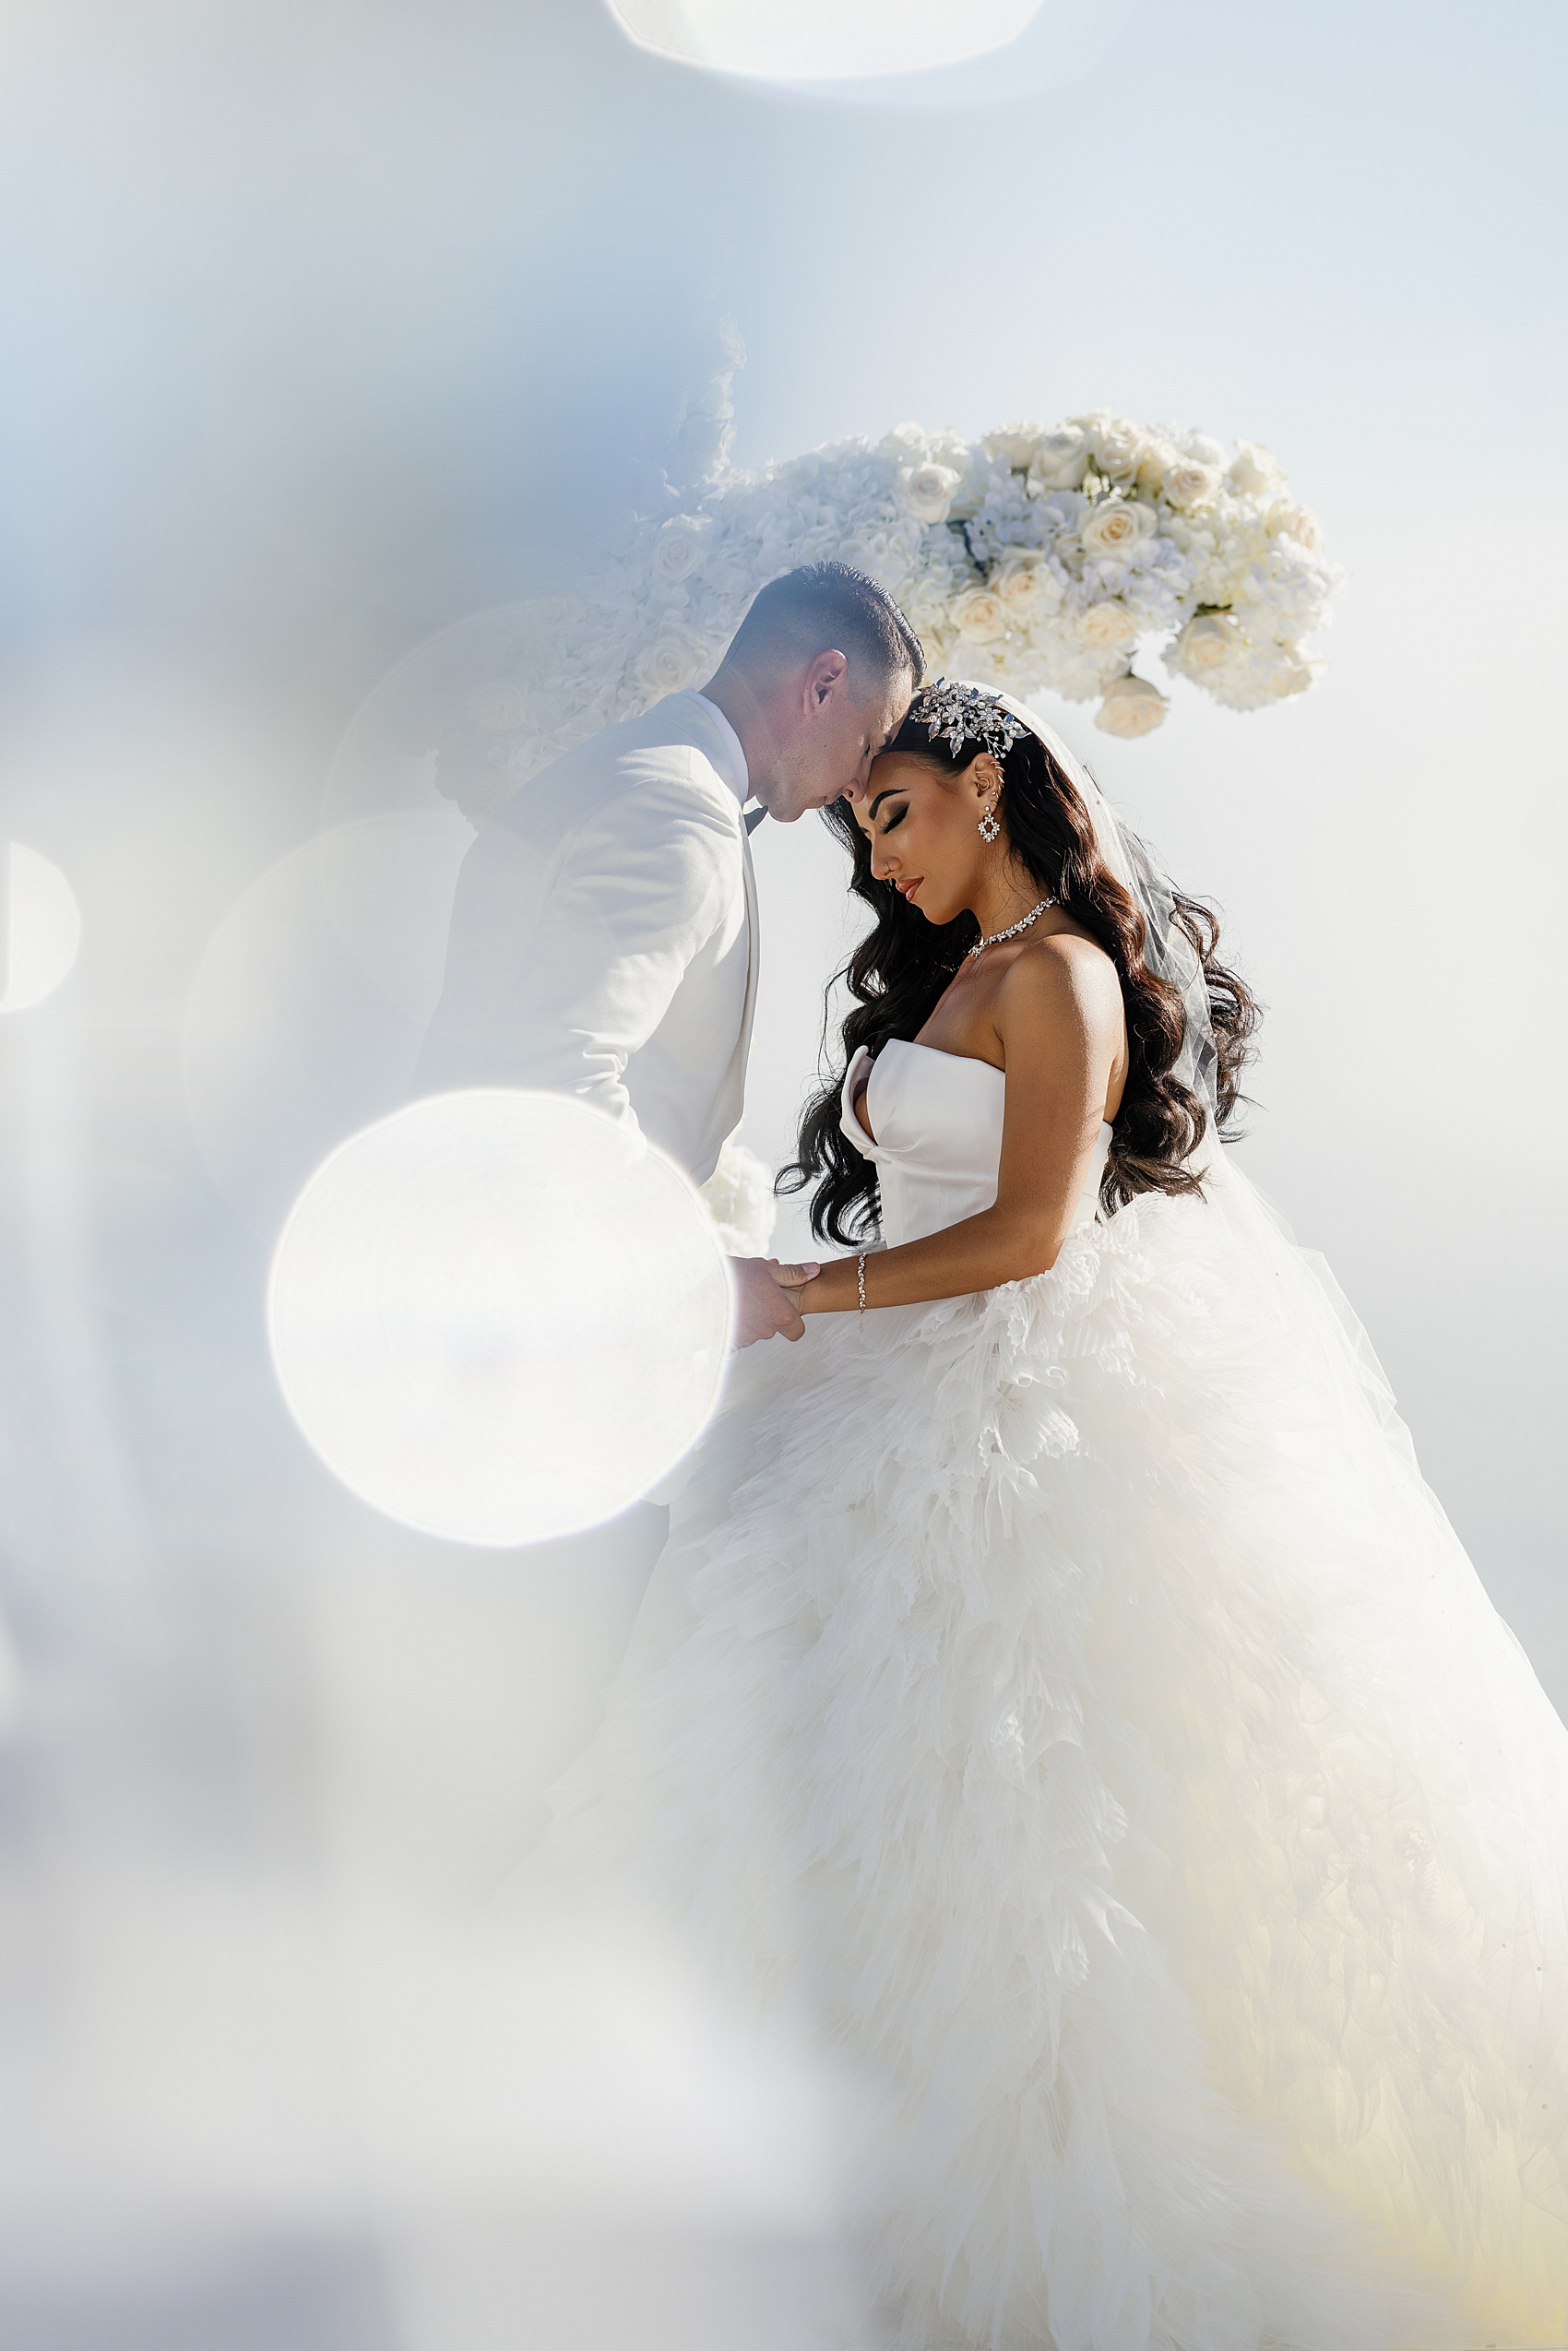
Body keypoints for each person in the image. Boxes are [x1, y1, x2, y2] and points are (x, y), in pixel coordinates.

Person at [545, 682, 1568, 2349]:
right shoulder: (955, 978)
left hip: (994, 1391)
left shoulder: (1070, 977)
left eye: (894, 812)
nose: (878, 861)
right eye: (863, 829)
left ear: (989, 779)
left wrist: (807, 1284)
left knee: (1021, 1788)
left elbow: (1033, 1232)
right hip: (870, 1397)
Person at [416, 559, 921, 1348]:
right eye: (872, 740)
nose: (862, 782)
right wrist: (690, 1277)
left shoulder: (624, 765)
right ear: (824, 683)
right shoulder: (676, 810)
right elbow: (557, 1073)